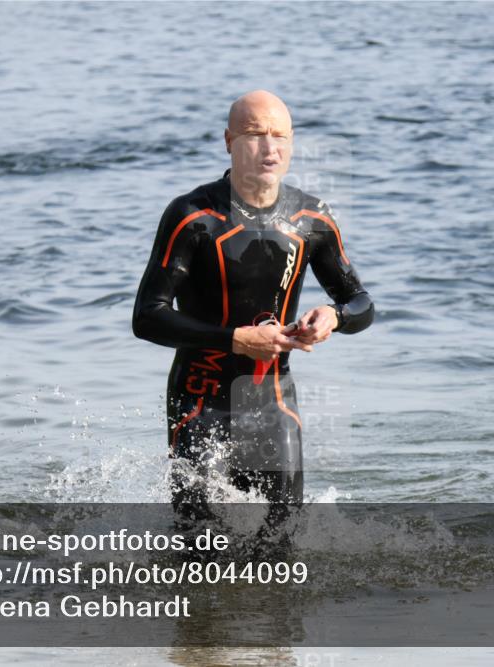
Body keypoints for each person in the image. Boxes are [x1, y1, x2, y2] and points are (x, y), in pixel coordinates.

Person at [132, 90, 373, 516]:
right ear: (228, 141)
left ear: (293, 142)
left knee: (282, 540)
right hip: (199, 402)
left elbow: (361, 303)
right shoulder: (193, 217)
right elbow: (147, 318)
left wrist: (332, 317)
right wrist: (235, 339)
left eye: (280, 135)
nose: (270, 147)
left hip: (273, 401)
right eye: (255, 134)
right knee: (200, 547)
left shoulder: (311, 220)